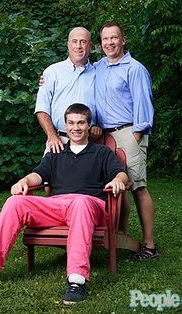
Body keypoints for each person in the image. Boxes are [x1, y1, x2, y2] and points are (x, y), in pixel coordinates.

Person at [0, 103, 128, 304]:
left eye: (81, 123)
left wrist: (118, 180)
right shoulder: (55, 153)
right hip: (57, 206)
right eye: (71, 123)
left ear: (89, 126)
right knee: (15, 203)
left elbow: (122, 174)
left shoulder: (102, 153)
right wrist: (24, 181)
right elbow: (38, 175)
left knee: (80, 202)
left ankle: (77, 279)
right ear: (65, 125)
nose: (75, 128)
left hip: (89, 206)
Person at [94, 21, 158, 260]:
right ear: (100, 43)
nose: (109, 42)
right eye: (105, 39)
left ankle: (149, 245)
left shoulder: (134, 68)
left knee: (137, 186)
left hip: (129, 132)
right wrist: (45, 78)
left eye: (114, 38)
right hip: (102, 135)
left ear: (123, 40)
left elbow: (144, 104)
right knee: (116, 188)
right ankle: (120, 235)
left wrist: (136, 135)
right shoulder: (98, 67)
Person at [35, 26, 102, 154]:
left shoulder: (98, 73)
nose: (79, 46)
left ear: (90, 46)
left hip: (89, 143)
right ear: (68, 45)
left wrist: (96, 126)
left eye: (83, 42)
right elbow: (41, 108)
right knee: (49, 174)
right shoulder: (52, 72)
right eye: (74, 41)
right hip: (58, 142)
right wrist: (52, 136)